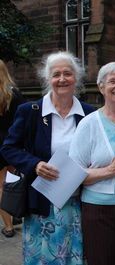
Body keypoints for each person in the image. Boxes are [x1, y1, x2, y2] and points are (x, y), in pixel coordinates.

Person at [0, 51, 94, 264]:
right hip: (41, 203)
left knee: (76, 257)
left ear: (76, 78)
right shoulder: (30, 111)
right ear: (47, 79)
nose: (62, 79)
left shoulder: (89, 114)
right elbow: (8, 148)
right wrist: (35, 164)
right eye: (56, 74)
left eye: (67, 73)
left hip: (78, 202)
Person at [69, 62, 115, 265]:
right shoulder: (89, 124)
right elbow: (73, 174)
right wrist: (110, 171)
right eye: (112, 81)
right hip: (99, 211)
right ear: (101, 87)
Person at [0, 59, 25, 238]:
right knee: (12, 180)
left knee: (0, 185)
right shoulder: (14, 94)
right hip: (12, 143)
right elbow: (23, 118)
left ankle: (8, 226)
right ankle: (14, 213)